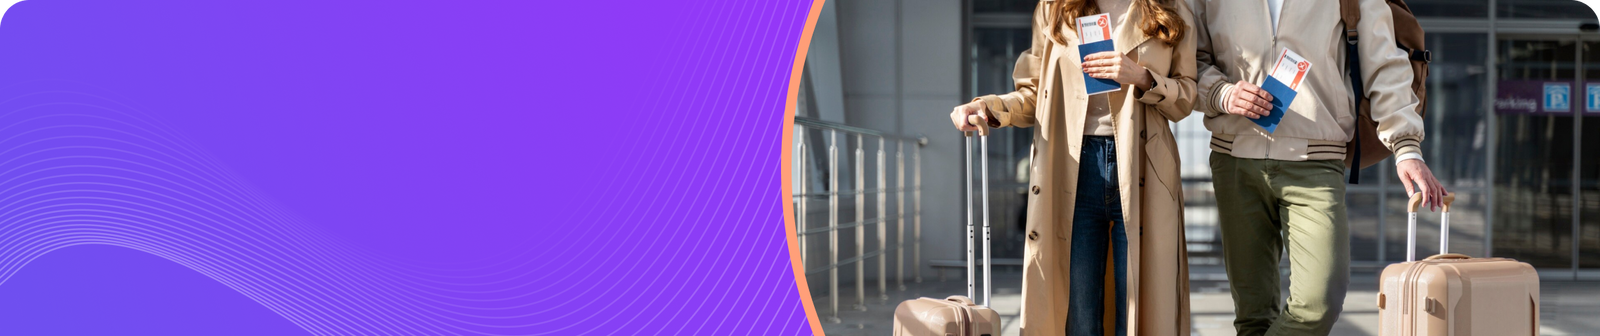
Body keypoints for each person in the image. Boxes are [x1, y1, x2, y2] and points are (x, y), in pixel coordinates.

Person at [1190, 0, 1449, 334]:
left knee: (1318, 303)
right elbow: (1189, 59)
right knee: (1253, 317)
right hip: (1234, 159)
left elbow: (1384, 62)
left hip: (1315, 160)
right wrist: (1221, 93)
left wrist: (1406, 145)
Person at [948, 0, 1196, 334]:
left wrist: (1141, 77)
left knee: (1140, 307)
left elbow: (1186, 96)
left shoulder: (1169, 7)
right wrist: (987, 107)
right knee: (1079, 311)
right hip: (1073, 166)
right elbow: (1034, 92)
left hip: (1143, 167)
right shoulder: (1055, 8)